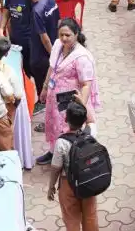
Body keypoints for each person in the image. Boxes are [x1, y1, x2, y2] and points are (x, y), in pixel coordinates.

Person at [38, 19, 100, 165]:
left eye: (68, 35)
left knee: (67, 128)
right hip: (54, 97)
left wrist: (81, 104)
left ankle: (70, 157)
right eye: (61, 35)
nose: (64, 38)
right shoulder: (57, 45)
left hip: (69, 101)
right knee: (54, 125)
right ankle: (53, 151)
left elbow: (86, 84)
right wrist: (45, 87)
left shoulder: (82, 57)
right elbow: (52, 68)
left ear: (76, 34)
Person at [47, 101, 101, 231]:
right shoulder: (91, 133)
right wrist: (82, 102)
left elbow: (56, 167)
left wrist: (51, 186)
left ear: (65, 119)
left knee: (71, 219)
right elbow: (92, 120)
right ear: (84, 120)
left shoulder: (62, 142)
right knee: (90, 216)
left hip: (68, 184)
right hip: (88, 182)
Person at [21, 0, 59, 96]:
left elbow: (44, 38)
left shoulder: (36, 11)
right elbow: (58, 22)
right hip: (55, 47)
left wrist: (53, 55)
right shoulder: (50, 0)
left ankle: (44, 102)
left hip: (42, 56)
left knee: (42, 85)